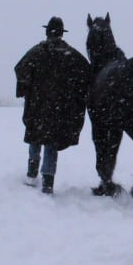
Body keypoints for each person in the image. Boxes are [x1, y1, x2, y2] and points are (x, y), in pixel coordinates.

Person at [14, 17, 92, 194]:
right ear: (61, 33)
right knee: (50, 143)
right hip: (58, 109)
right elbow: (87, 74)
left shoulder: (37, 52)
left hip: (37, 106)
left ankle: (32, 175)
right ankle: (48, 182)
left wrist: (28, 89)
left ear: (47, 32)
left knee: (35, 137)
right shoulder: (71, 55)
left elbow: (20, 69)